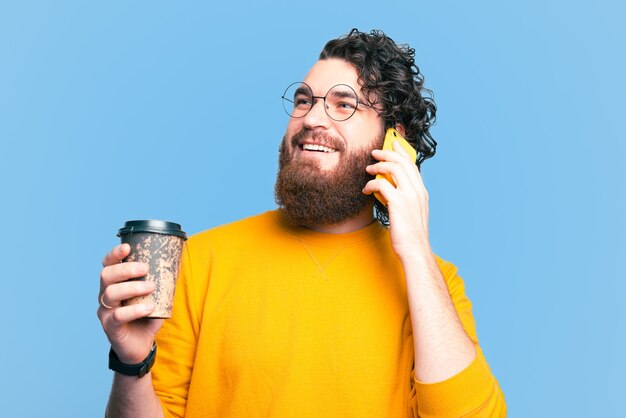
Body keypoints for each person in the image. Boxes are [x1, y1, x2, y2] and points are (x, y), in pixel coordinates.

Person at [97, 28, 506, 417]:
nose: (312, 118)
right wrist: (132, 363)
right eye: (304, 100)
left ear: (392, 141)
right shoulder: (201, 261)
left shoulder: (432, 285)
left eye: (344, 104)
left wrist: (415, 251)